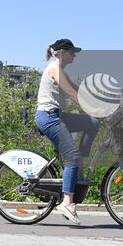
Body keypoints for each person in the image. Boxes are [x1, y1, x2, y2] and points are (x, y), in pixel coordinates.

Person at [34, 38, 98, 225]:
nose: (74, 55)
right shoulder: (54, 68)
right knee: (72, 157)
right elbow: (71, 93)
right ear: (62, 52)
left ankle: (79, 165)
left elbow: (78, 90)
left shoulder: (60, 70)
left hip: (58, 115)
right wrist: (91, 107)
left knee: (92, 123)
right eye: (72, 52)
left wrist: (101, 103)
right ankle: (67, 202)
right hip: (48, 117)